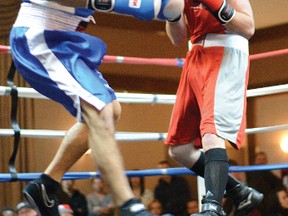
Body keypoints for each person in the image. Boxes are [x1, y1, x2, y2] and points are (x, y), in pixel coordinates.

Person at [9, 0, 183, 215]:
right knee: (101, 112)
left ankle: (46, 184)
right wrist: (126, 5)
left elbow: (176, 33)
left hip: (65, 39)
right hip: (40, 36)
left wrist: (172, 14)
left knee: (112, 110)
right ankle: (129, 204)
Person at [164, 0, 264, 215]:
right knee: (179, 149)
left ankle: (213, 208)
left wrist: (216, 4)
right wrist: (171, 16)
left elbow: (248, 27)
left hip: (226, 53)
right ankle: (239, 192)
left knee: (212, 133)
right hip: (196, 57)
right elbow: (178, 39)